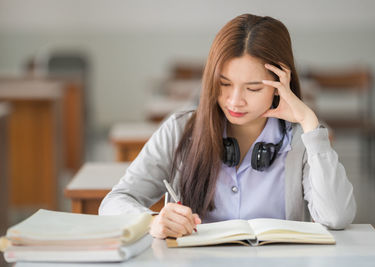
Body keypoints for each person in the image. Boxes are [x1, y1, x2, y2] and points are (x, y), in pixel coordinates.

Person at [99, 14, 356, 239]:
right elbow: (114, 202)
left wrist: (310, 123)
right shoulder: (180, 130)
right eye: (224, 84)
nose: (234, 100)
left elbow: (336, 217)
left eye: (253, 88)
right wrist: (153, 222)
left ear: (280, 83)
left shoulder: (301, 139)